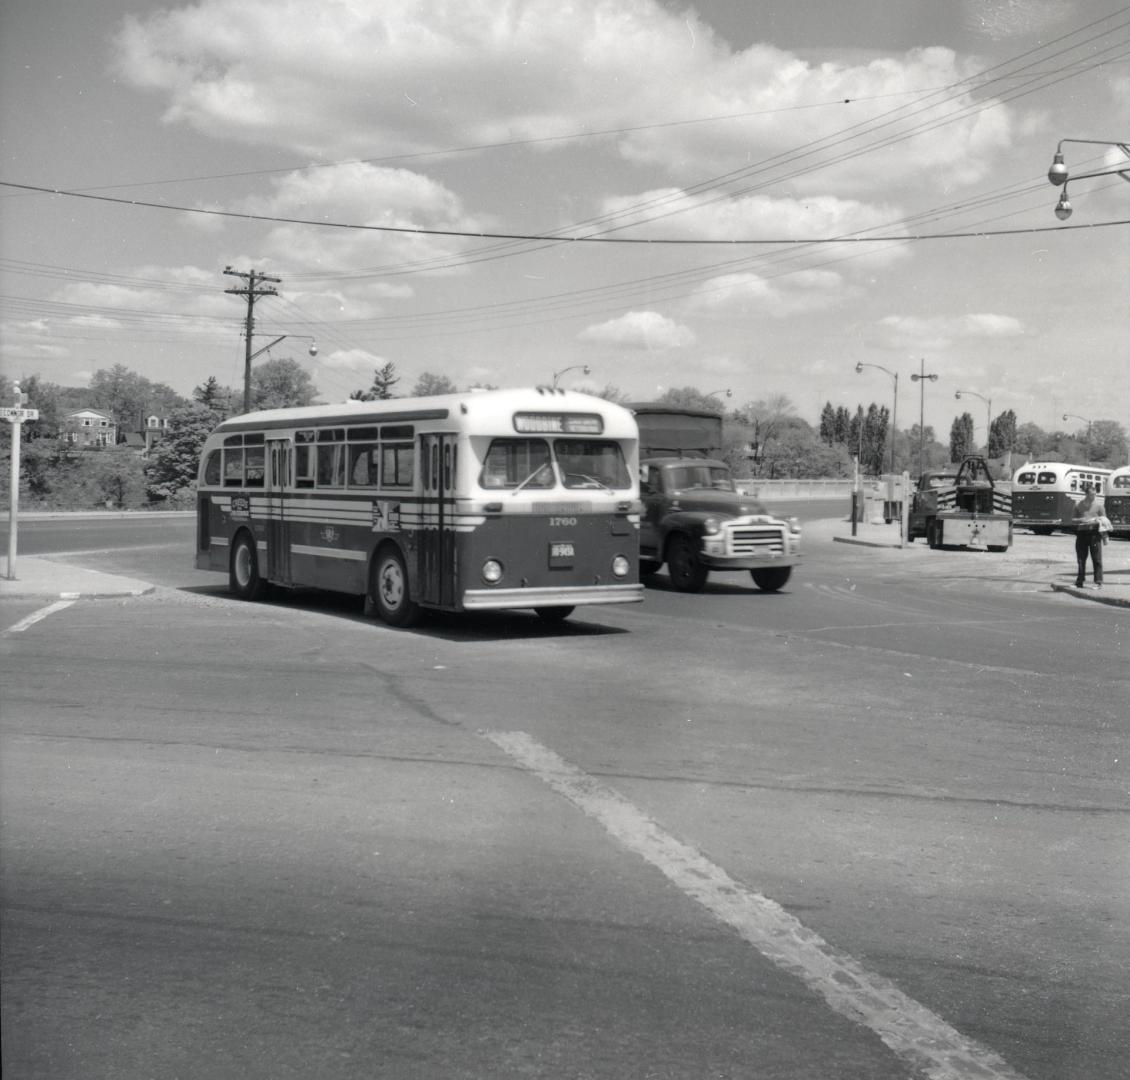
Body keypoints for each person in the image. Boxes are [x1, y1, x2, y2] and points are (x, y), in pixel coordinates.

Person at [1071, 482, 1106, 589]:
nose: (1094, 497)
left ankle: (1098, 582)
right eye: (1091, 495)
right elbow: (1072, 520)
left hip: (1094, 534)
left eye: (1095, 494)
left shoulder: (1099, 506)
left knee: (1097, 559)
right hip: (1081, 533)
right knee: (1081, 559)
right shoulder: (1078, 505)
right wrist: (1081, 520)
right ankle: (1079, 582)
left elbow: (1105, 520)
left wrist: (1096, 521)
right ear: (1086, 494)